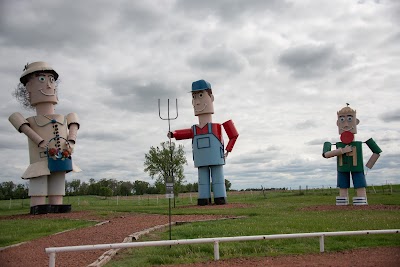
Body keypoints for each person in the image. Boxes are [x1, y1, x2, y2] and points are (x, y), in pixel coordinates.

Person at [9, 62, 80, 214]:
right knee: (39, 177)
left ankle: (57, 203)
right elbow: (20, 124)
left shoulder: (63, 117)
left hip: (61, 157)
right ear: (28, 87)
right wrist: (39, 141)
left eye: (51, 80)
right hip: (39, 159)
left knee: (58, 180)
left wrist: (71, 141)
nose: (48, 85)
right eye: (42, 79)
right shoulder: (30, 121)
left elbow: (73, 124)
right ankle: (38, 204)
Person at [168, 80, 238, 205]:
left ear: (211, 98)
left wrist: (228, 149)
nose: (197, 101)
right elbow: (184, 133)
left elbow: (234, 135)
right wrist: (174, 134)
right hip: (201, 159)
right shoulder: (194, 129)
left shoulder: (216, 127)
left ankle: (220, 197)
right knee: (202, 180)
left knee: (218, 179)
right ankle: (204, 198)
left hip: (216, 157)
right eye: (194, 97)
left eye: (201, 95)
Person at [322, 104, 382, 205]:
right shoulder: (336, 144)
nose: (345, 124)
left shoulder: (359, 143)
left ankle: (361, 199)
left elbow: (377, 151)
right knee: (343, 184)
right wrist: (342, 151)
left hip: (357, 167)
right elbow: (325, 154)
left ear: (356, 122)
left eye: (349, 119)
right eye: (342, 120)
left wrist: (369, 164)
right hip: (342, 167)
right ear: (337, 123)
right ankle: (343, 199)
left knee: (359, 183)